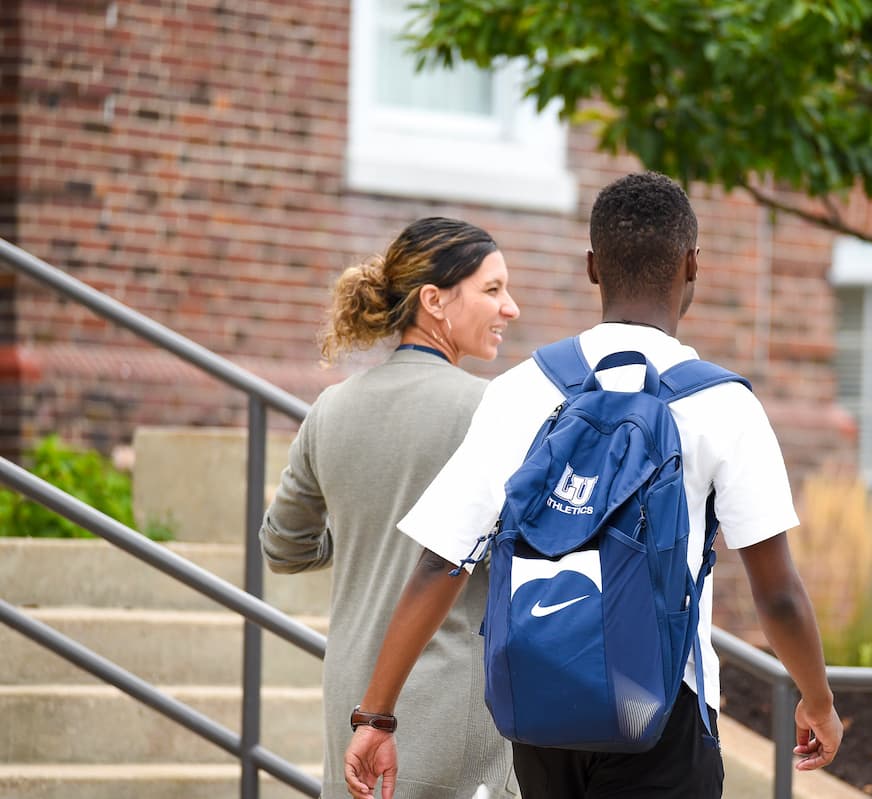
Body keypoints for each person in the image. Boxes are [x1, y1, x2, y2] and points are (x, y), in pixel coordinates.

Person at [343, 173, 843, 799]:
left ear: (590, 268)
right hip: (665, 711)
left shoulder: (522, 390)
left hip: (542, 707)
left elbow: (439, 564)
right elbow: (778, 596)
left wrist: (376, 716)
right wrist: (817, 701)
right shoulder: (722, 404)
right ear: (693, 266)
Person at [259, 217, 521, 799]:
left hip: (352, 705)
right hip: (454, 708)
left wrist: (363, 537)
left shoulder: (331, 408)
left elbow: (283, 546)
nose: (511, 309)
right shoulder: (495, 410)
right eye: (493, 289)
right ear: (434, 300)